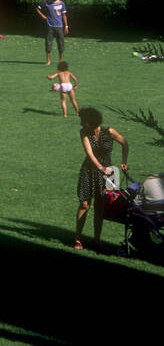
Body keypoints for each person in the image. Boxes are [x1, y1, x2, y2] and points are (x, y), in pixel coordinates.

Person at [74, 107, 130, 251]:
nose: (84, 124)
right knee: (84, 204)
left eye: (86, 122)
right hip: (89, 170)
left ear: (93, 121)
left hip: (109, 172)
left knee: (101, 207)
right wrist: (100, 168)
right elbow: (89, 153)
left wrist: (124, 161)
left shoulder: (109, 131)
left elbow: (124, 142)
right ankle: (78, 239)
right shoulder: (84, 132)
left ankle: (96, 241)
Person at [36, 0, 69, 66]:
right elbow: (38, 8)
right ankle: (48, 61)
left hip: (59, 27)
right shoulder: (47, 3)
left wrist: (66, 26)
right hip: (50, 27)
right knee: (48, 43)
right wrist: (44, 17)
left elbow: (64, 15)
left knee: (61, 44)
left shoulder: (62, 4)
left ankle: (61, 61)